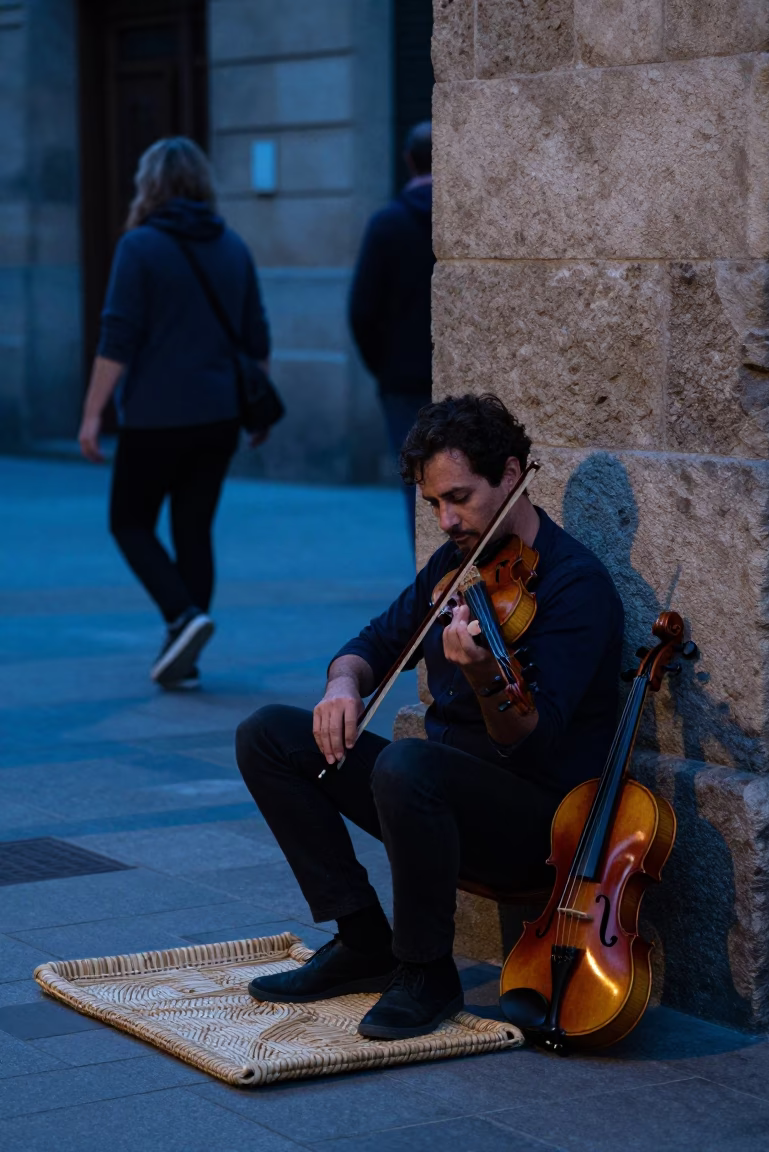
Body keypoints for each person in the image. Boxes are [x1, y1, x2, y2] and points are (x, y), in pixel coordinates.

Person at [235, 394, 624, 1040]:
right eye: (434, 504)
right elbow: (370, 645)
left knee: (406, 762)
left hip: (539, 826)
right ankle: (363, 940)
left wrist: (480, 674)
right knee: (269, 735)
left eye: (459, 498)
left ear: (510, 474)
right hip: (428, 799)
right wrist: (341, 686)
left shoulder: (574, 585)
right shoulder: (454, 570)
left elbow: (532, 741)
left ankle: (426, 973)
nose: (446, 520)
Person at [77, 137, 270, 690]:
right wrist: (255, 410)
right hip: (219, 417)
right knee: (193, 527)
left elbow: (117, 338)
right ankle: (184, 646)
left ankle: (182, 618)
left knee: (129, 520)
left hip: (155, 416)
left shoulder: (139, 246)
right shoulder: (232, 245)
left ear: (150, 184)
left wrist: (92, 414)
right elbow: (257, 336)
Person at [348, 121, 435, 547]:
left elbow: (361, 311)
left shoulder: (386, 224)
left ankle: (432, 587)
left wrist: (384, 366)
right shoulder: (465, 220)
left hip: (401, 382)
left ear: (407, 160)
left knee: (416, 490)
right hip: (456, 377)